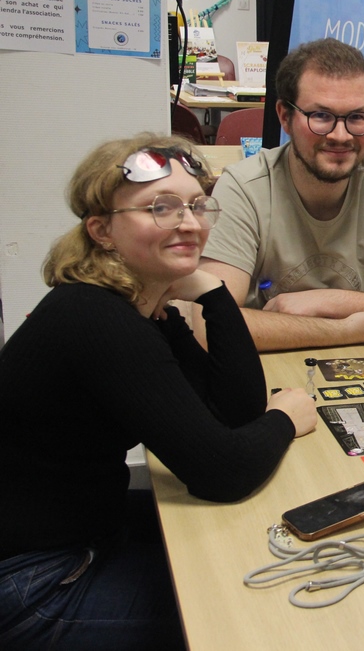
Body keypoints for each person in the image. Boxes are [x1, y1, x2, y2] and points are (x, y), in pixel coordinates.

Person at [0, 135, 317, 650]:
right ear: (101, 230)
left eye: (197, 205)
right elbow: (223, 473)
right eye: (160, 208)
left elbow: (233, 412)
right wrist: (284, 418)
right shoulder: (96, 318)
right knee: (254, 614)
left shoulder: (141, 304)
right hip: (33, 585)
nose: (189, 223)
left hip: (79, 539)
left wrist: (212, 291)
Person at [201, 38, 364, 351]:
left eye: (357, 117)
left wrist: (330, 301)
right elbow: (208, 325)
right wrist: (348, 330)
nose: (340, 135)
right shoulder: (244, 189)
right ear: (284, 117)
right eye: (321, 116)